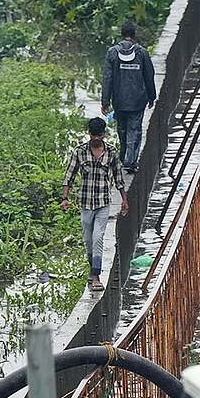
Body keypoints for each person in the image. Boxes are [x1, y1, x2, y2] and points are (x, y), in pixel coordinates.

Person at [61, 118, 129, 291]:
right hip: (85, 202)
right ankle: (92, 271)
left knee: (98, 237)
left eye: (100, 135)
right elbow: (70, 175)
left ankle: (96, 275)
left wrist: (124, 200)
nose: (97, 138)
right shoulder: (80, 152)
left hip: (103, 202)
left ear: (104, 134)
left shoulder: (111, 153)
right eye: (94, 135)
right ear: (89, 134)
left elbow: (118, 178)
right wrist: (65, 198)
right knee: (88, 239)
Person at [101, 21, 157, 174]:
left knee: (122, 130)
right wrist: (152, 97)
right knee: (134, 130)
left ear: (121, 34)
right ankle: (130, 161)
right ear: (133, 35)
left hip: (119, 100)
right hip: (137, 100)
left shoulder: (112, 53)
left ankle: (124, 157)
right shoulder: (142, 53)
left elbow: (107, 78)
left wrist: (105, 101)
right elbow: (149, 76)